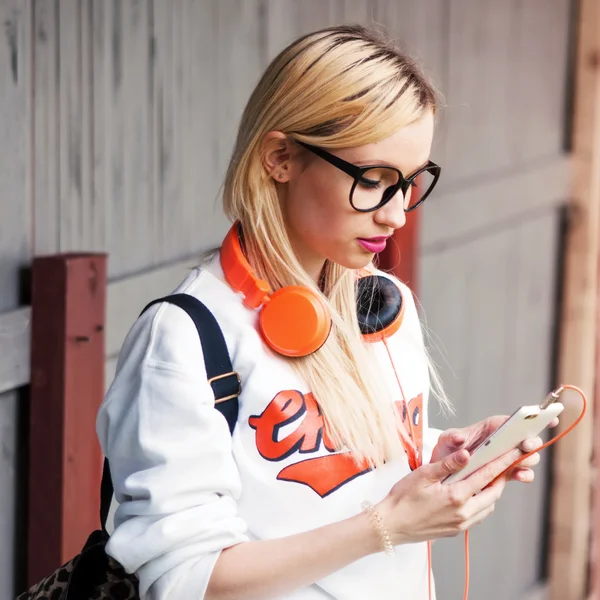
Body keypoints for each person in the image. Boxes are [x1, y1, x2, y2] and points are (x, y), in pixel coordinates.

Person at [96, 25, 546, 600]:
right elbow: (185, 580)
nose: (396, 216)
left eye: (411, 184)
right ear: (280, 157)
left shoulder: (383, 306)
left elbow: (332, 474)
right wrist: (388, 527)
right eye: (375, 181)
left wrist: (438, 453)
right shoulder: (185, 338)